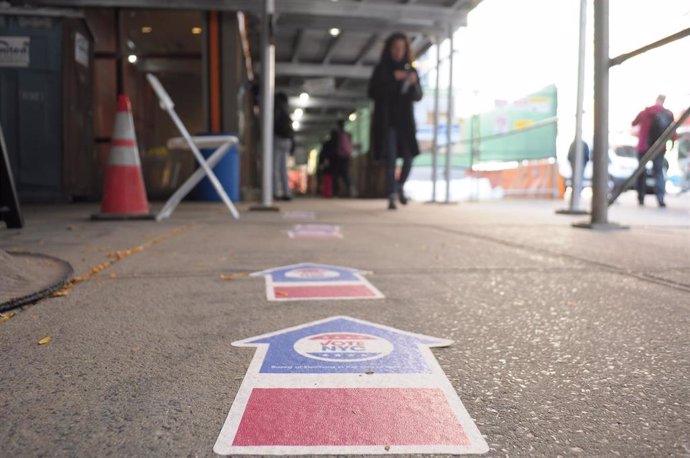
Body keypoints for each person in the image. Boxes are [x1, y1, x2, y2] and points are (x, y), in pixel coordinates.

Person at [368, 32, 423, 210]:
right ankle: (391, 194)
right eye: (395, 48)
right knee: (391, 159)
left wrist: (414, 83)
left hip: (405, 123)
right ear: (389, 49)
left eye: (402, 48)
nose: (398, 51)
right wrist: (393, 78)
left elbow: (418, 96)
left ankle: (400, 186)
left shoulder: (411, 70)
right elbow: (373, 93)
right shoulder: (382, 70)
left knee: (409, 158)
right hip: (387, 122)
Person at [632, 95, 676, 207]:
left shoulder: (645, 112)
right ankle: (660, 198)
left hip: (643, 147)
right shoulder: (668, 114)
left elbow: (634, 123)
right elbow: (673, 132)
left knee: (641, 172)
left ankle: (641, 198)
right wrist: (670, 145)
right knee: (658, 173)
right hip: (659, 148)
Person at [273, 92, 294, 201]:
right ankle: (287, 192)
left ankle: (276, 192)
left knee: (275, 167)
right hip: (287, 141)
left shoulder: (276, 109)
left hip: (278, 139)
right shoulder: (287, 111)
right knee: (284, 168)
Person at [333, 120, 353, 198]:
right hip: (344, 157)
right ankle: (347, 191)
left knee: (339, 175)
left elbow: (342, 147)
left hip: (340, 157)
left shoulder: (339, 135)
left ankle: (338, 192)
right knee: (344, 175)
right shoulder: (347, 134)